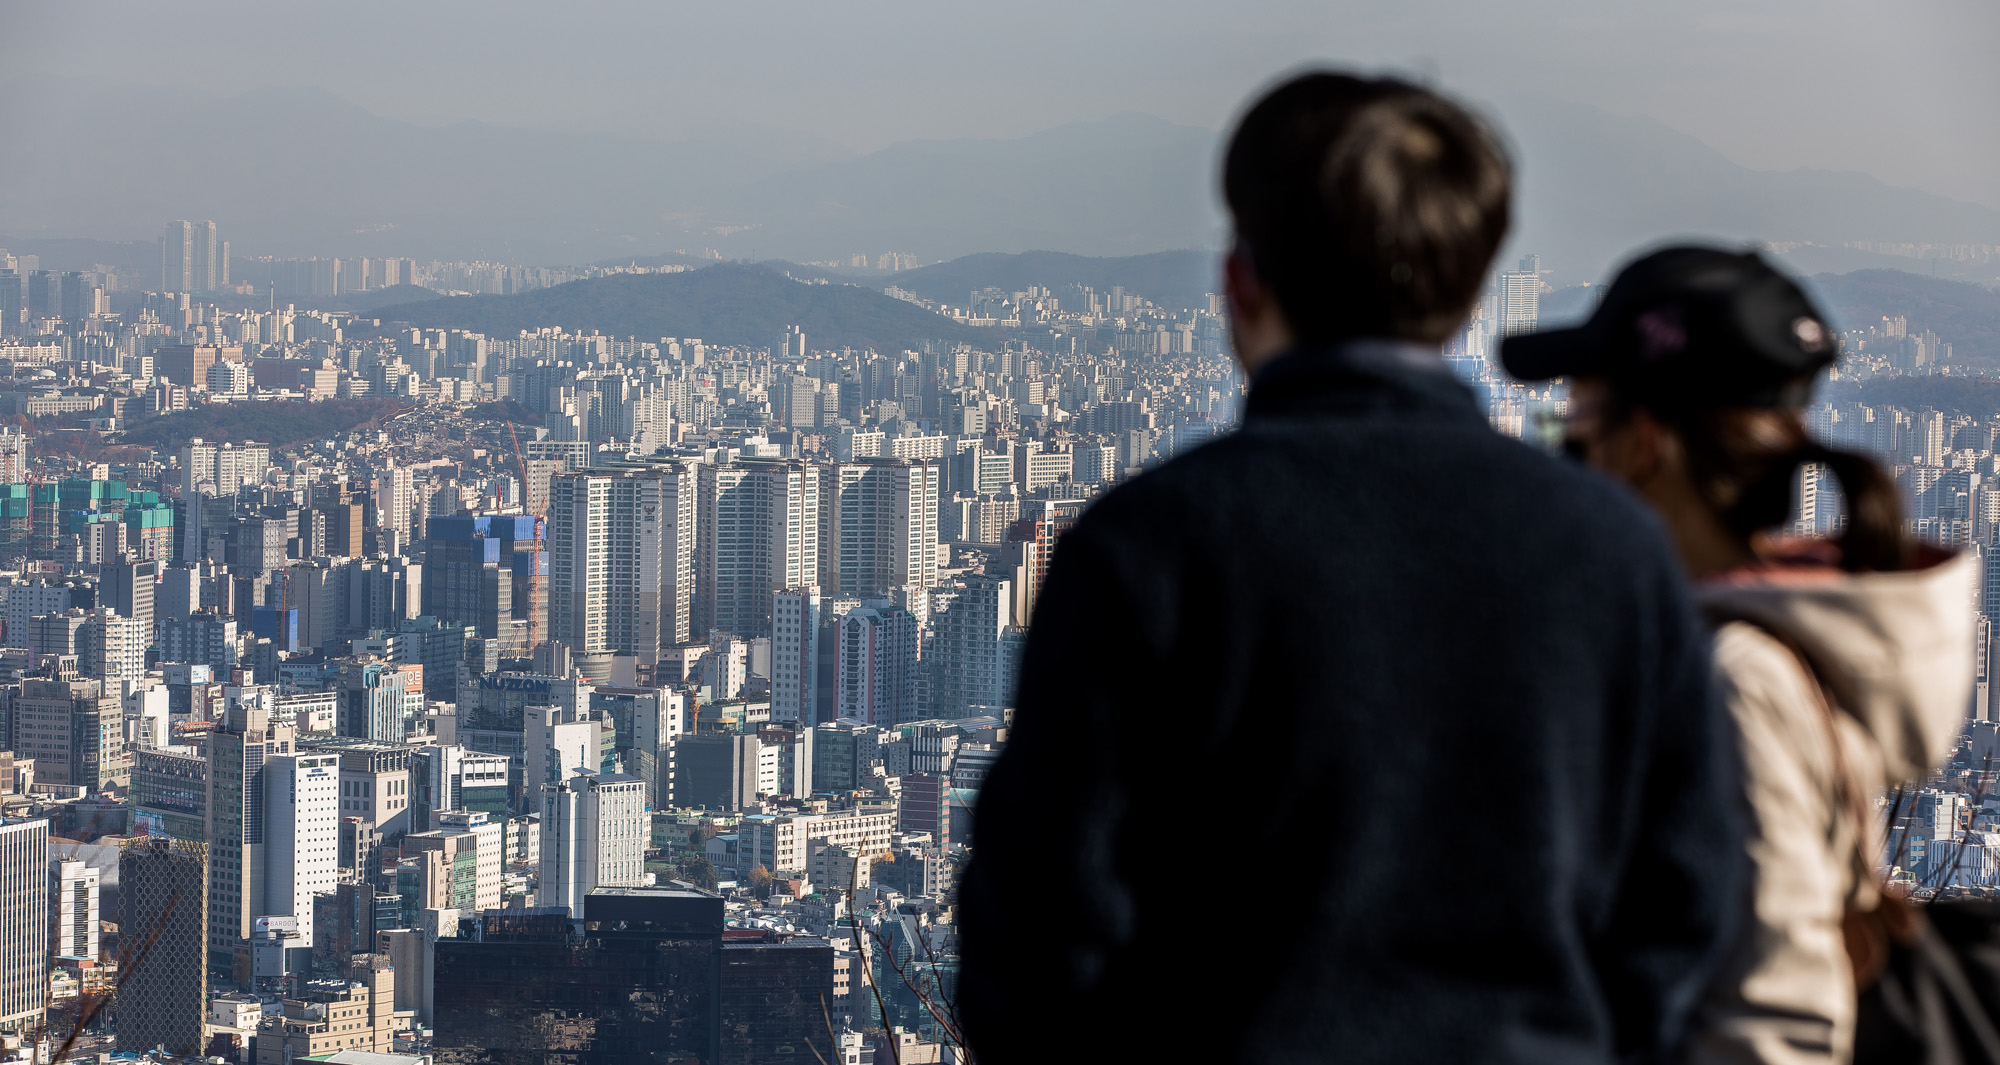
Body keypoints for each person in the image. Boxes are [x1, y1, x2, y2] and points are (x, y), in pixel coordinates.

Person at [958, 73, 1745, 1064]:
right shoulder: (1608, 550)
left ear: (1239, 283)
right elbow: (1683, 897)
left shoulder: (1149, 545)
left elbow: (1034, 930)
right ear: (1465, 295)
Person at [1503, 245, 1976, 1064]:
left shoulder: (1737, 681)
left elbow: (1771, 1022)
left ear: (1643, 446)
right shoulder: (1777, 637)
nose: (1565, 466)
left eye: (1572, 432)